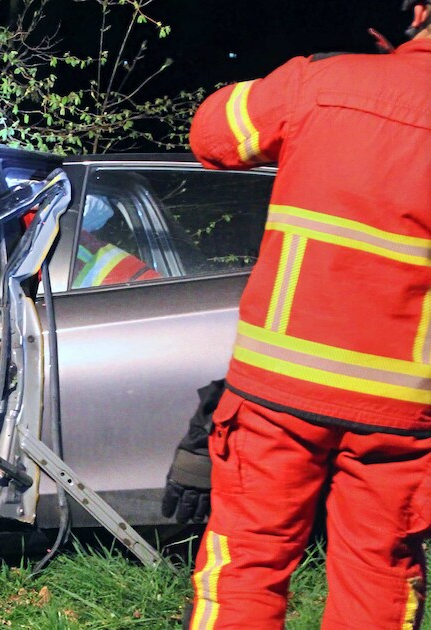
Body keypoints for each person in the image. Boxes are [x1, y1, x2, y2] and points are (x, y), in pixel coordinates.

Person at [179, 3, 431, 628]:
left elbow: (212, 132)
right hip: (403, 406)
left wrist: (296, 80)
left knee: (246, 567)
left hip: (278, 389)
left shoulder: (321, 81)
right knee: (380, 576)